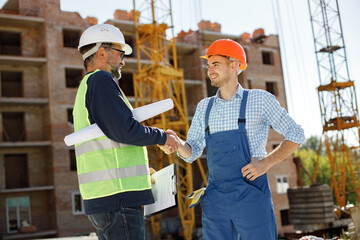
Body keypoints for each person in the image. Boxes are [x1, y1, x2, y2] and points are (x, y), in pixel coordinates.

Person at [159, 39, 305, 240]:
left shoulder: (260, 100)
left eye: (215, 64)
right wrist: (177, 143)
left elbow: (296, 134)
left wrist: (267, 162)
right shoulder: (205, 107)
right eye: (208, 66)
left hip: (251, 193)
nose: (209, 70)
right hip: (215, 195)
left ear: (234, 65)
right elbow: (192, 152)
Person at [73, 24, 178, 240]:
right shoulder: (101, 80)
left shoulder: (88, 86)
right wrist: (162, 137)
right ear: (102, 52)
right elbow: (124, 130)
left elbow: (111, 138)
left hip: (109, 198)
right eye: (120, 54)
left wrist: (138, 173)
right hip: (117, 200)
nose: (123, 61)